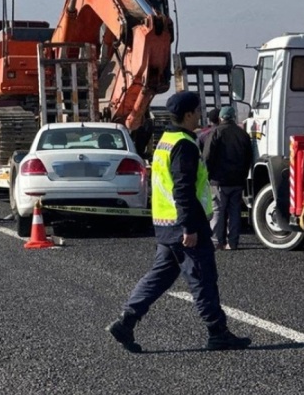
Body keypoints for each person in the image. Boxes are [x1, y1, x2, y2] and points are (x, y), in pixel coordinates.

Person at [106, 91, 251, 353]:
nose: (200, 115)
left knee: (158, 278)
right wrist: (190, 227)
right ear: (187, 115)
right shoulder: (184, 145)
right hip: (185, 226)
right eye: (197, 111)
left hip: (166, 224)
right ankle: (218, 332)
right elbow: (183, 189)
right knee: (203, 278)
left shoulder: (167, 140)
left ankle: (126, 322)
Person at [203, 106, 253, 250]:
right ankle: (233, 242)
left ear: (220, 118)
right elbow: (249, 157)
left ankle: (217, 241)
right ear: (233, 117)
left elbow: (207, 157)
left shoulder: (216, 132)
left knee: (218, 210)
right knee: (235, 212)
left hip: (219, 180)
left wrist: (208, 175)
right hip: (238, 180)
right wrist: (243, 174)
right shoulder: (243, 134)